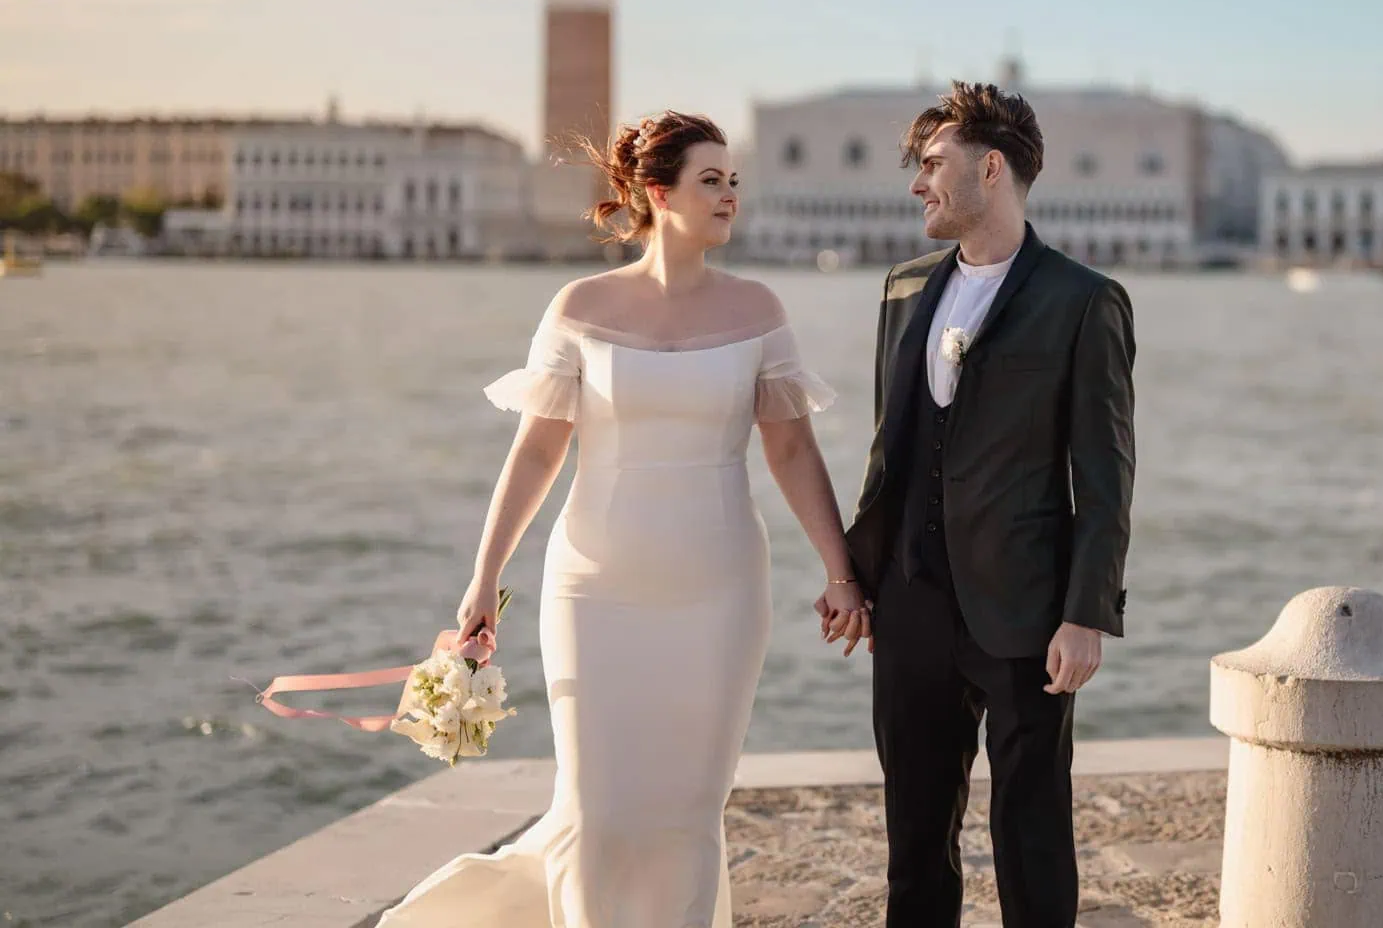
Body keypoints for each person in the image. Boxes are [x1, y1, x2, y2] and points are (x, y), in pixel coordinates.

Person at [376, 111, 867, 927]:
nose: (729, 197)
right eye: (710, 180)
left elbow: (791, 453)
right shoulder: (581, 304)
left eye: (733, 181)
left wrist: (842, 572)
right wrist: (485, 578)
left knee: (685, 817)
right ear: (656, 192)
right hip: (594, 591)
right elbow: (538, 453)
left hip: (719, 592)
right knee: (599, 813)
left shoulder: (759, 309)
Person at [839, 81, 1136, 928]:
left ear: (992, 168)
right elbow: (888, 450)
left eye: (933, 164)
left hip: (1027, 614)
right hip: (910, 603)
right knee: (915, 836)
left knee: (1031, 831)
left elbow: (1107, 473)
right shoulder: (903, 288)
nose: (917, 184)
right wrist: (856, 578)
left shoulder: (1083, 301)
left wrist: (1087, 615)